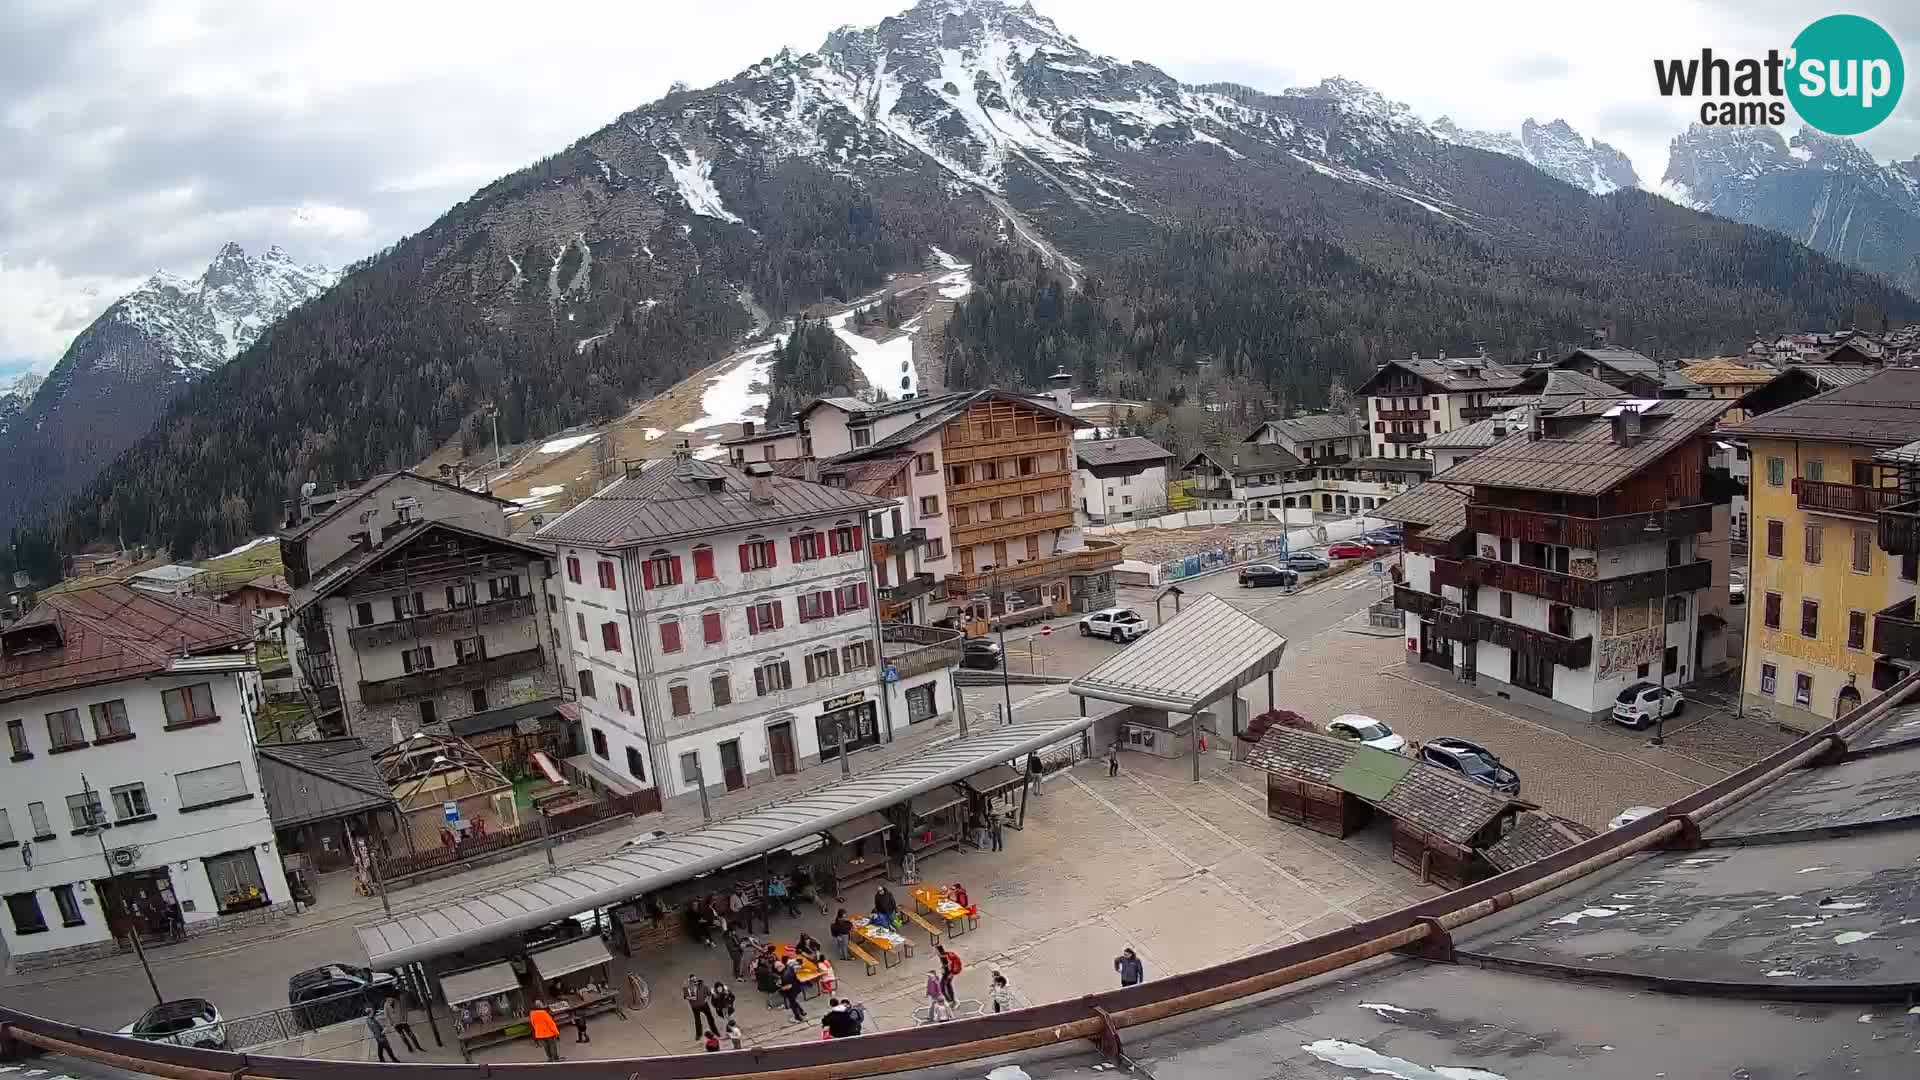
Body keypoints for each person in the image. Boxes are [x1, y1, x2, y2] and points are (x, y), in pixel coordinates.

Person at [685, 975, 718, 1040]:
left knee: (710, 1018)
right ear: (690, 981)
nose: (693, 981)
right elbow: (686, 996)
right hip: (695, 1007)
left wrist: (706, 999)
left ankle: (715, 1031)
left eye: (694, 979)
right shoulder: (687, 988)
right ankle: (699, 1034)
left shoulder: (703, 986)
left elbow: (709, 994)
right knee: (697, 1021)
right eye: (691, 980)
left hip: (704, 1005)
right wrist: (692, 997)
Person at [779, 955, 807, 1022]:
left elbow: (788, 986)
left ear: (782, 962)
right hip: (796, 987)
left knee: (792, 1004)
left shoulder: (785, 974)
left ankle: (798, 1017)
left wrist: (781, 988)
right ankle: (802, 1011)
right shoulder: (790, 967)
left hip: (791, 990)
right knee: (794, 1001)